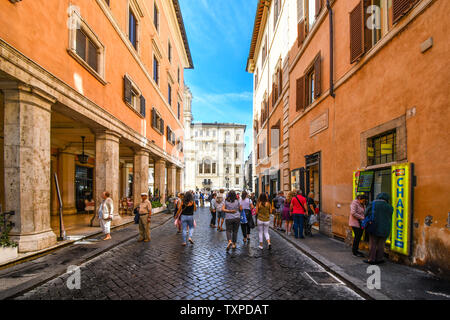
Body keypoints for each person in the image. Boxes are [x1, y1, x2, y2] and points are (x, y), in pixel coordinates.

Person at [363, 193, 393, 265]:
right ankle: (380, 258)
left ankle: (371, 259)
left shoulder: (372, 204)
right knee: (381, 244)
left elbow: (365, 213)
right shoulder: (389, 207)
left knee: (373, 243)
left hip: (374, 226)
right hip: (386, 228)